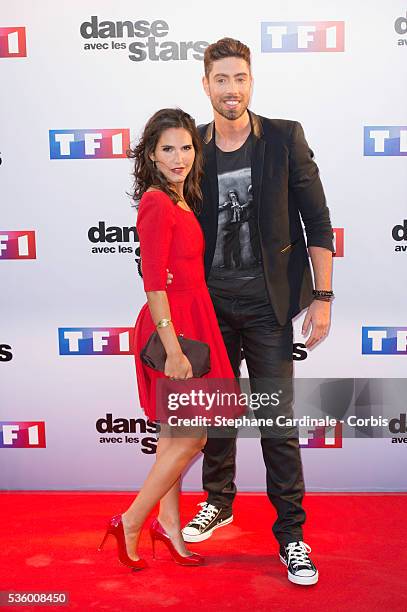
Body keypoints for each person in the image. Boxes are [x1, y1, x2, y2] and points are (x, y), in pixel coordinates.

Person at [179, 38, 335, 586]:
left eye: (240, 78)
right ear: (206, 85)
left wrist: (322, 297)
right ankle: (218, 502)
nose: (232, 89)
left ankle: (292, 536)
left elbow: (317, 222)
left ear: (252, 81)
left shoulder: (284, 138)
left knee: (276, 421)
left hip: (270, 308)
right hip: (210, 306)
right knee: (217, 414)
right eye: (220, 79)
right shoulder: (189, 147)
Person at [98, 108, 238, 570]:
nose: (179, 157)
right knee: (192, 438)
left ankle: (170, 526)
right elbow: (154, 282)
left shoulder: (182, 199)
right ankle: (133, 520)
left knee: (173, 437)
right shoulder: (157, 202)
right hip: (174, 328)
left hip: (195, 320)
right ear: (151, 156)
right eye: (168, 149)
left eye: (186, 147)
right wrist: (174, 348)